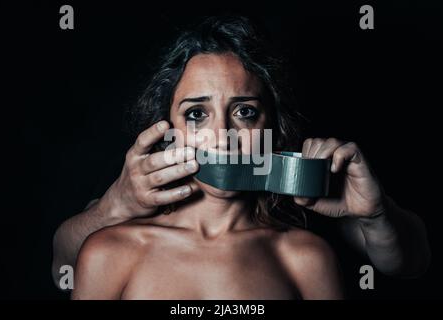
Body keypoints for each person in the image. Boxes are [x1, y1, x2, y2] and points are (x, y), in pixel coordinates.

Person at [53, 16, 430, 299]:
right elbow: (61, 262)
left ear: (273, 128)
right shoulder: (110, 250)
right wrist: (113, 206)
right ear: (168, 130)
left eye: (245, 112)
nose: (222, 137)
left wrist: (376, 214)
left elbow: (410, 261)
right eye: (197, 113)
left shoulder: (306, 255)